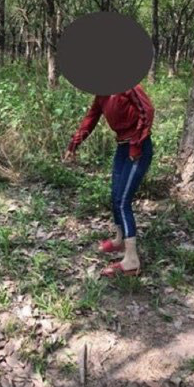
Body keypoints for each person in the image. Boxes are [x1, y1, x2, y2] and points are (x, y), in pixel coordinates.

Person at [63, 85, 154, 277]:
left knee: (123, 202)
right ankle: (120, 240)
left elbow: (147, 111)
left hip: (138, 147)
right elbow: (90, 119)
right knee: (115, 197)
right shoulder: (101, 94)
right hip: (122, 147)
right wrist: (74, 144)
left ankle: (131, 260)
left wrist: (137, 144)